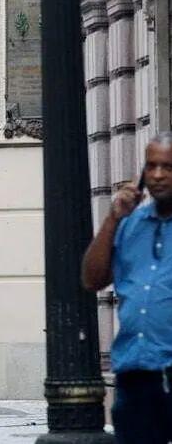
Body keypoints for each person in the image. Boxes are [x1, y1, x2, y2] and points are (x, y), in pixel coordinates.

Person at [82, 132, 172, 443]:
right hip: (135, 374)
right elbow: (93, 279)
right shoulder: (129, 223)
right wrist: (113, 219)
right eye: (151, 166)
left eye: (168, 167)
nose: (158, 175)